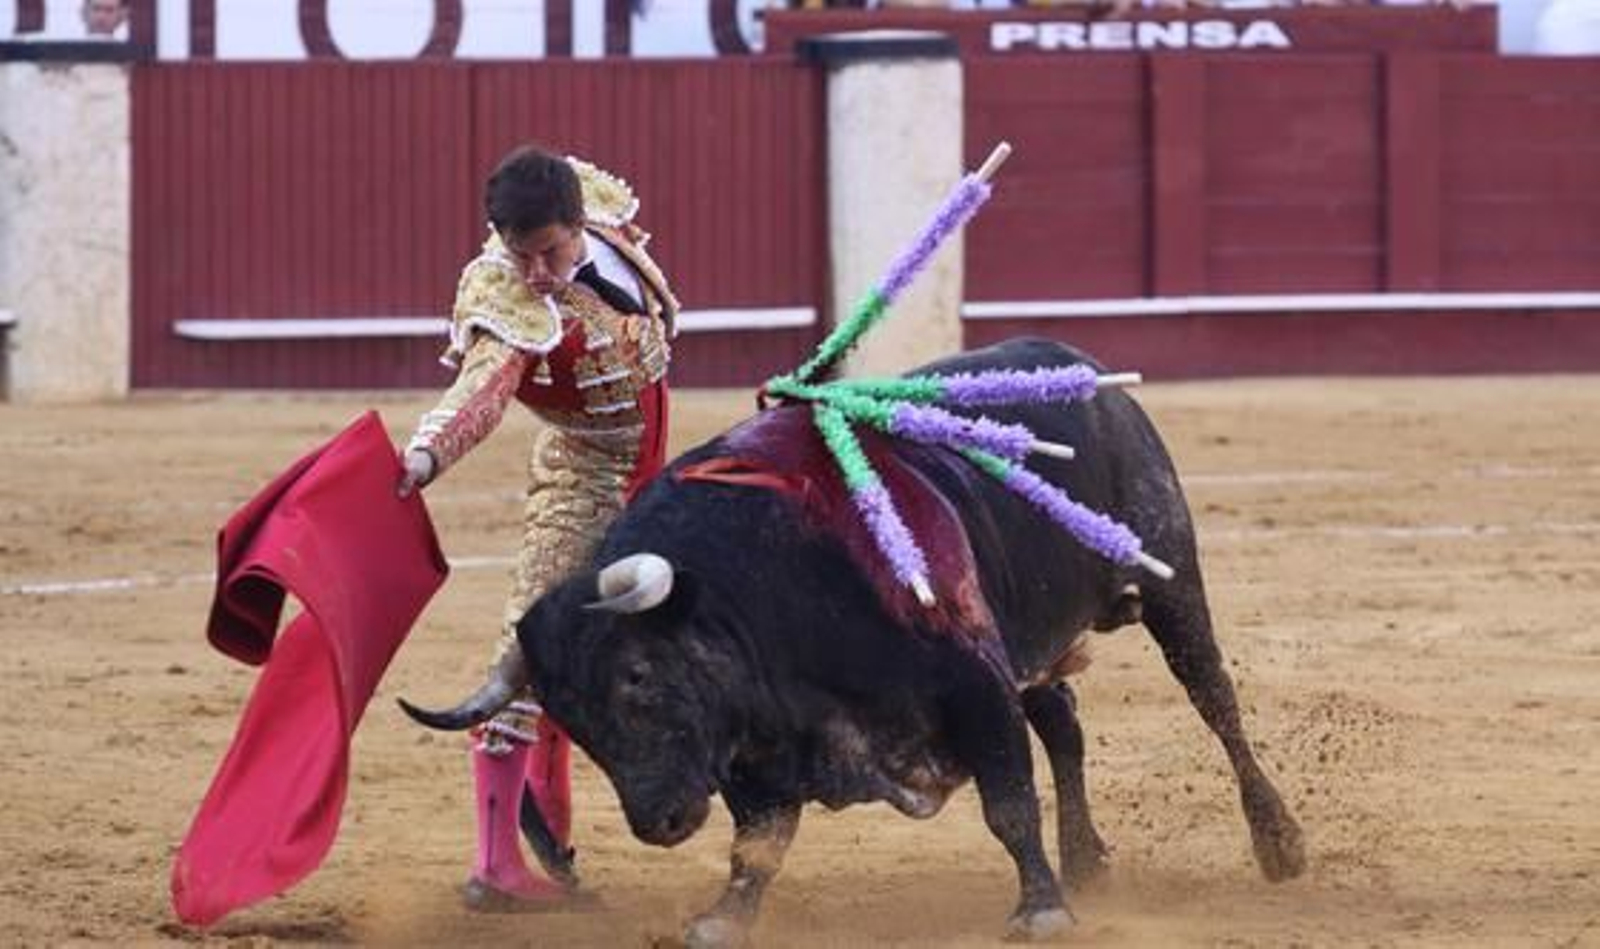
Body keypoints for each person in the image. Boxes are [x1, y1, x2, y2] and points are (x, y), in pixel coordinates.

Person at [398, 144, 678, 910]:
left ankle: (551, 849)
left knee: (598, 656)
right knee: (524, 655)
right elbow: (481, 390)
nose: (538, 274)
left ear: (578, 221)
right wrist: (426, 456)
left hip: (651, 480)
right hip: (582, 480)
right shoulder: (506, 296)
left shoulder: (603, 213)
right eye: (522, 256)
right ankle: (494, 866)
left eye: (550, 252)